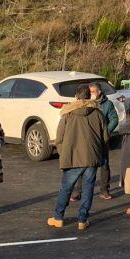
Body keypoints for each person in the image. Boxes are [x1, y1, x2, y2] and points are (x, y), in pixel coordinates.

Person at [48, 85, 108, 231]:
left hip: (72, 158)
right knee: (88, 189)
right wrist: (101, 155)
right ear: (89, 96)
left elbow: (59, 138)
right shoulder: (98, 113)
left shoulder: (68, 114)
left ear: (76, 96)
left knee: (66, 188)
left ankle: (58, 217)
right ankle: (83, 219)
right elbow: (104, 138)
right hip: (92, 157)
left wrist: (64, 153)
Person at [69, 81, 119, 203]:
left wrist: (106, 133)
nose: (91, 94)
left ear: (99, 92)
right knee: (83, 165)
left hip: (102, 141)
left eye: (93, 92)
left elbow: (114, 119)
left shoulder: (107, 104)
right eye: (89, 92)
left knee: (104, 165)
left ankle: (104, 190)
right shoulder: (84, 105)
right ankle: (77, 191)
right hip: (88, 141)